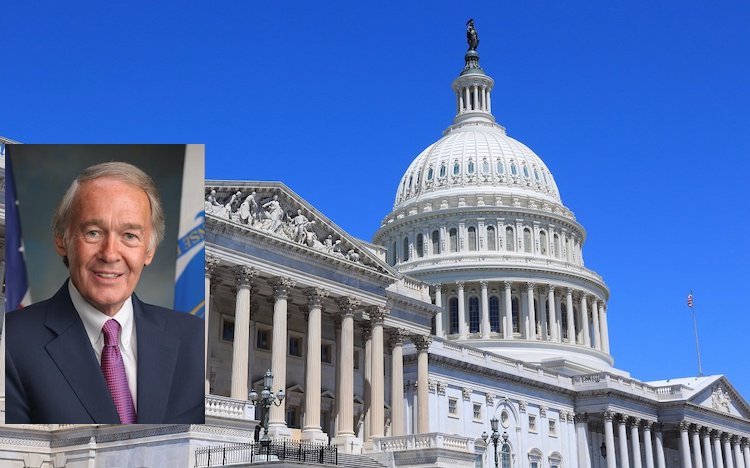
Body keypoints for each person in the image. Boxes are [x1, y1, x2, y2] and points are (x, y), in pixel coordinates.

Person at [5, 161, 205, 424]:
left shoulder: (193, 339)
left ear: (149, 251)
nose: (110, 254)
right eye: (93, 232)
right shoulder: (14, 341)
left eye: (130, 235)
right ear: (62, 241)